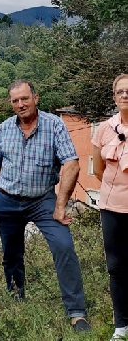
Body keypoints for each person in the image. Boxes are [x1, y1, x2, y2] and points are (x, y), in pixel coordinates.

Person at [0, 79, 90, 332]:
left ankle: (76, 312)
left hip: (43, 200)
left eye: (25, 98)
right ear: (11, 104)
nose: (21, 104)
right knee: (11, 253)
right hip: (7, 200)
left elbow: (72, 163)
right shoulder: (4, 128)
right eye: (15, 101)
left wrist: (60, 206)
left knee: (64, 246)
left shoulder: (54, 125)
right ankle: (16, 295)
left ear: (35, 98)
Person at [92, 73, 128, 340]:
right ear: (114, 97)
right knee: (116, 266)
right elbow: (98, 169)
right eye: (120, 92)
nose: (125, 96)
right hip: (111, 207)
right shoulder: (104, 128)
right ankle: (121, 325)